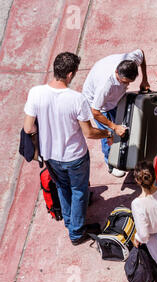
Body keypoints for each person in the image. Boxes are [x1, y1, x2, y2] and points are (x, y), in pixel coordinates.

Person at [23, 52, 113, 245]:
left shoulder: (35, 93)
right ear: (70, 74)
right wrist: (108, 134)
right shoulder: (76, 99)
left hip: (50, 156)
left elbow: (28, 128)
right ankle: (77, 233)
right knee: (79, 192)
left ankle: (70, 222)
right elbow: (88, 133)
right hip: (74, 157)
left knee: (63, 188)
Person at [82, 49, 150, 177]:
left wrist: (144, 79)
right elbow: (95, 111)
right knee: (110, 134)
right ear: (116, 72)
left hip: (114, 98)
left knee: (123, 125)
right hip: (100, 106)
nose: (127, 85)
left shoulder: (132, 59)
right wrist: (114, 127)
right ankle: (111, 163)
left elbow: (141, 52)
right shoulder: (105, 85)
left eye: (129, 82)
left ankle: (124, 153)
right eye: (124, 82)